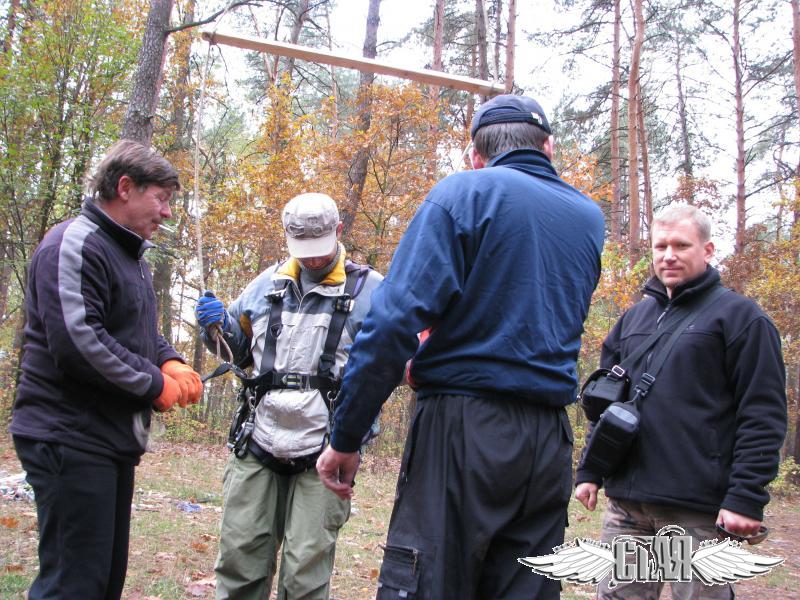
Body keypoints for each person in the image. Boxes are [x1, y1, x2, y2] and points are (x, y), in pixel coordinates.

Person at [316, 94, 606, 599]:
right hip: (548, 440)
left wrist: (346, 436)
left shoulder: (463, 194)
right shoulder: (588, 217)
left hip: (463, 428)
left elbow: (390, 324)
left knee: (430, 583)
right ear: (549, 147)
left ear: (476, 154)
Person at [10, 139, 203, 599]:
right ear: (124, 187)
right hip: (68, 435)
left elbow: (135, 330)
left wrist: (169, 359)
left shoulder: (127, 254)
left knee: (102, 582)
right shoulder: (74, 244)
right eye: (162, 198)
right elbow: (79, 341)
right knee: (73, 584)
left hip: (107, 438)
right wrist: (154, 383)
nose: (168, 213)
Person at [575, 204, 787, 599]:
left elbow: (762, 415)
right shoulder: (634, 319)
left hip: (697, 509)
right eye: (660, 246)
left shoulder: (741, 318)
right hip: (629, 507)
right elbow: (607, 407)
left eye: (681, 245)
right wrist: (590, 471)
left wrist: (745, 497)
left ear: (707, 250)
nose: (668, 255)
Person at [195, 192, 383, 600]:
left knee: (304, 576)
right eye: (303, 251)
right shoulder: (265, 285)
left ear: (338, 231)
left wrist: (356, 433)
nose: (313, 259)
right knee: (240, 560)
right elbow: (240, 353)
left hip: (326, 449)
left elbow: (387, 370)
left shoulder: (372, 293)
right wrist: (216, 329)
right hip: (257, 441)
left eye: (320, 248)